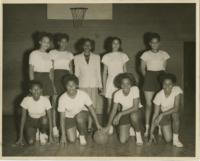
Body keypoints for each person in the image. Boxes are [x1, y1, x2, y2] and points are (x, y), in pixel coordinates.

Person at [58, 74, 102, 146]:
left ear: (77, 85)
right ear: (65, 86)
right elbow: (62, 118)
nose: (71, 87)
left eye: (73, 85)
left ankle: (82, 135)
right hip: (69, 117)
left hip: (81, 115)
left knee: (79, 118)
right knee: (72, 140)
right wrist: (63, 135)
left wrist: (97, 124)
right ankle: (76, 130)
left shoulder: (83, 94)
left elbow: (92, 109)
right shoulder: (62, 99)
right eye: (68, 85)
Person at [140, 33, 170, 137]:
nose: (154, 44)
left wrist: (160, 78)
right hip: (149, 77)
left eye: (156, 42)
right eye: (152, 42)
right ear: (149, 43)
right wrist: (148, 78)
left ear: (159, 43)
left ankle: (159, 126)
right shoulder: (145, 54)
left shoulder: (164, 54)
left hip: (160, 78)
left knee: (160, 104)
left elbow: (164, 68)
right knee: (149, 105)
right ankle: (147, 128)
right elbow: (142, 69)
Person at [103, 73, 143, 145]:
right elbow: (113, 110)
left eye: (128, 83)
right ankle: (130, 127)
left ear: (131, 84)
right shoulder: (117, 94)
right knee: (122, 140)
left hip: (137, 111)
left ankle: (138, 134)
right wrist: (108, 126)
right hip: (125, 113)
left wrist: (120, 114)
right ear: (120, 85)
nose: (126, 86)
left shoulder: (135, 89)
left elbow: (135, 107)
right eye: (123, 84)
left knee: (133, 116)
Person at [29, 32, 55, 140]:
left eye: (48, 42)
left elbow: (51, 72)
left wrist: (52, 85)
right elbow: (31, 70)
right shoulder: (33, 53)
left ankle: (43, 132)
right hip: (37, 79)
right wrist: (32, 84)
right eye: (44, 41)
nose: (46, 44)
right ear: (39, 42)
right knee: (37, 106)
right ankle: (36, 130)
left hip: (47, 81)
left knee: (45, 107)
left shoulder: (50, 55)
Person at [102, 37, 130, 135]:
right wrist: (104, 87)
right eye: (114, 43)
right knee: (110, 105)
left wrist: (128, 83)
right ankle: (110, 126)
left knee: (122, 105)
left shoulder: (123, 55)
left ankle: (124, 124)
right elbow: (104, 73)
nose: (116, 45)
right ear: (110, 44)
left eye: (118, 43)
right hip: (110, 82)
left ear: (120, 44)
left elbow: (125, 70)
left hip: (122, 82)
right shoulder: (106, 56)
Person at [74, 38, 102, 132]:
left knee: (92, 106)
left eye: (89, 45)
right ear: (82, 46)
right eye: (85, 44)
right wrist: (75, 85)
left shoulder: (97, 57)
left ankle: (90, 126)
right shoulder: (77, 57)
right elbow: (76, 73)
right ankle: (81, 125)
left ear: (91, 46)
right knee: (81, 105)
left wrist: (100, 85)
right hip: (82, 85)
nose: (87, 46)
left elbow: (98, 72)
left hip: (93, 85)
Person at [149, 73, 183, 148]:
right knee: (168, 139)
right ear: (162, 85)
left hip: (171, 112)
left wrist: (162, 115)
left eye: (170, 84)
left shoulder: (177, 90)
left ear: (173, 85)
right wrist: (151, 132)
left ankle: (176, 140)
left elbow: (176, 108)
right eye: (165, 84)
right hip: (164, 114)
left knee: (175, 114)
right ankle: (161, 126)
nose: (167, 86)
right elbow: (155, 114)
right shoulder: (158, 96)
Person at [49, 33, 74, 138]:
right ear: (58, 42)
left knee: (66, 103)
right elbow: (51, 69)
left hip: (67, 79)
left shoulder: (69, 54)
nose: (64, 43)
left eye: (65, 41)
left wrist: (73, 83)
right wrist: (52, 84)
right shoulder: (52, 52)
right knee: (54, 103)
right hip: (56, 78)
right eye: (61, 41)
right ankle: (54, 127)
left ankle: (67, 126)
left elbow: (71, 70)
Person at [16, 81, 53, 145]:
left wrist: (51, 136)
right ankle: (35, 132)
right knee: (31, 142)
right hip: (30, 121)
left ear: (41, 90)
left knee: (45, 119)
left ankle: (42, 133)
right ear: (30, 90)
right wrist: (20, 137)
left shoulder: (45, 100)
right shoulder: (26, 100)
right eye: (34, 89)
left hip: (42, 121)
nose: (36, 91)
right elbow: (23, 118)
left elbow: (50, 118)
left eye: (38, 89)